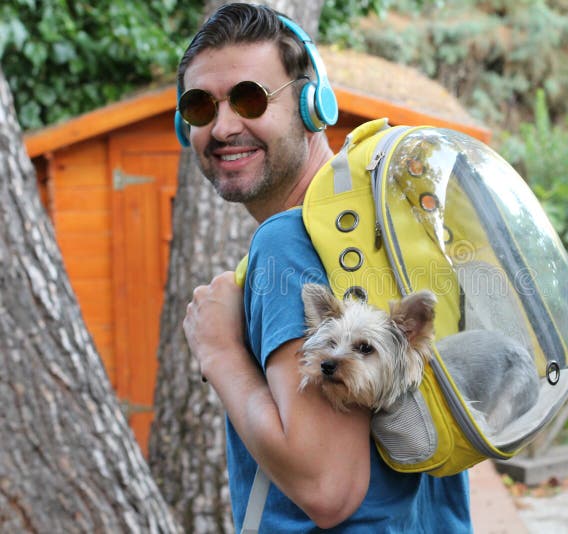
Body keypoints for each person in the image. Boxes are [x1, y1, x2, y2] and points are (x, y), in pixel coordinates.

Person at [180, 4, 472, 532]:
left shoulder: (287, 243)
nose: (222, 126)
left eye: (250, 98)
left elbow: (327, 489)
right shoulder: (389, 226)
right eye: (200, 106)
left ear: (313, 105)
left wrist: (219, 352)